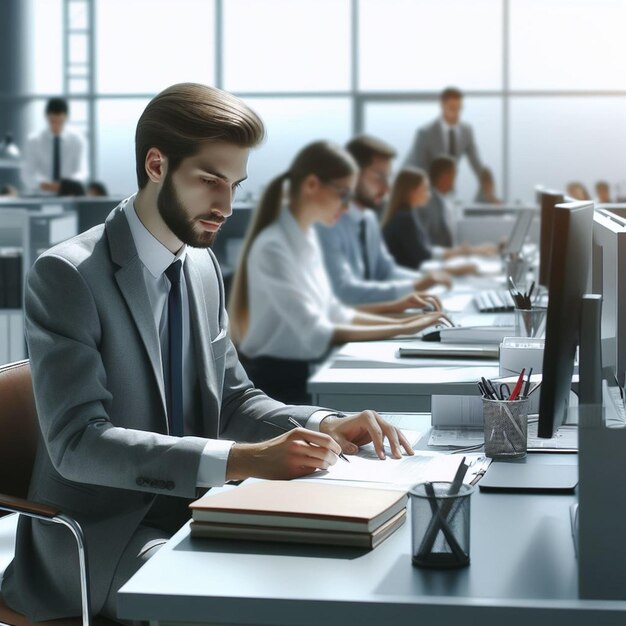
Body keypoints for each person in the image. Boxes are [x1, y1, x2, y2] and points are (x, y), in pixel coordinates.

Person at [1, 84, 415, 624]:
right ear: (156, 164)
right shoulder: (67, 276)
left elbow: (234, 399)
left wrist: (325, 423)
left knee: (332, 570)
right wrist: (242, 460)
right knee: (239, 599)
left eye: (236, 184)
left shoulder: (199, 266)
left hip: (197, 510)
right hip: (99, 539)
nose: (226, 205)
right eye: (210, 180)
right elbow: (78, 444)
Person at [229, 141, 449, 404]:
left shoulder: (306, 237)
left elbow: (335, 311)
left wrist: (403, 317)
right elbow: (318, 330)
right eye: (343, 194)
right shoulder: (273, 247)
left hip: (304, 370)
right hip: (279, 386)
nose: (346, 207)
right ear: (311, 185)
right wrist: (404, 327)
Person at [316, 134, 452, 306]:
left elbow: (385, 270)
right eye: (379, 177)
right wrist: (415, 285)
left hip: (373, 316)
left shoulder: (369, 218)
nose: (387, 188)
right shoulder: (328, 223)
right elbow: (343, 292)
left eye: (388, 177)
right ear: (351, 175)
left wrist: (429, 280)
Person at [382, 167, 497, 272]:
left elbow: (425, 250)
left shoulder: (406, 214)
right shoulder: (404, 218)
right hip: (411, 277)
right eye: (425, 189)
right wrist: (455, 266)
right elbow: (423, 257)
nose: (429, 194)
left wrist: (463, 251)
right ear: (412, 191)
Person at [404, 86, 483, 180]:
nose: (456, 113)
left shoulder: (466, 131)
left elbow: (476, 163)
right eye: (452, 108)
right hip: (415, 182)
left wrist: (486, 182)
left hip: (445, 185)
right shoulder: (425, 133)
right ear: (442, 106)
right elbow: (417, 167)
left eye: (459, 108)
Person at [21, 97, 87, 194]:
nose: (56, 125)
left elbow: (82, 171)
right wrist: (41, 183)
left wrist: (65, 185)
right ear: (46, 117)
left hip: (69, 195)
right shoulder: (34, 141)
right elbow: (27, 173)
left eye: (60, 121)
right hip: (41, 195)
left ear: (66, 118)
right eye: (52, 121)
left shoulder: (77, 140)